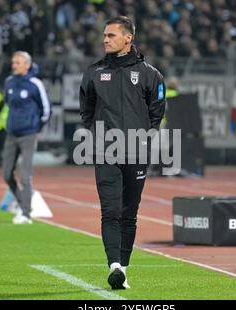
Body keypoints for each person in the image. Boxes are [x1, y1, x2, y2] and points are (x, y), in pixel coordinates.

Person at [79, 16, 166, 290]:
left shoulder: (151, 74)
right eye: (104, 35)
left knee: (130, 213)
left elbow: (156, 113)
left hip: (137, 152)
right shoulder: (93, 72)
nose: (105, 39)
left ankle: (123, 271)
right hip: (105, 151)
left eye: (111, 35)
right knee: (110, 210)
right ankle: (114, 265)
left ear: (128, 38)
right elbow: (86, 111)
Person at [2, 51, 51, 225]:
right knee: (6, 173)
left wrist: (36, 128)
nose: (14, 65)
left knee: (25, 175)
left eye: (18, 62)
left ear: (27, 65)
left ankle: (25, 214)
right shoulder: (9, 82)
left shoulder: (35, 83)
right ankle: (23, 203)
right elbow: (7, 103)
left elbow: (46, 109)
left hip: (28, 135)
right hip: (11, 134)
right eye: (13, 62)